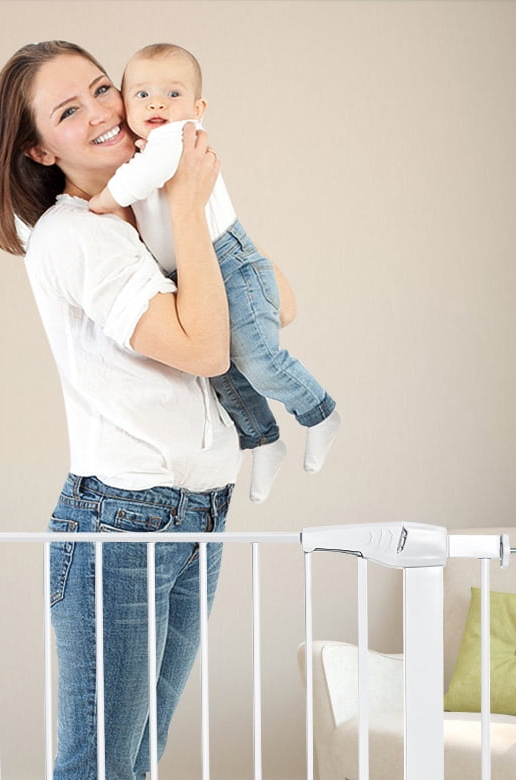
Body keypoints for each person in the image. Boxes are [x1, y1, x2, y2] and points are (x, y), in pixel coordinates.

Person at [0, 41, 240, 780]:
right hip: (118, 530)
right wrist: (193, 189)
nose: (101, 110)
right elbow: (207, 346)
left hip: (190, 519)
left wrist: (183, 200)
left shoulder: (136, 212)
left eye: (102, 88)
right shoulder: (76, 240)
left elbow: (272, 309)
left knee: (131, 757)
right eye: (67, 108)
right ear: (38, 150)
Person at [88, 43, 340, 503]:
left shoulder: (177, 139)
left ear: (197, 108)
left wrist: (104, 202)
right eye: (142, 95)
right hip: (188, 270)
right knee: (222, 374)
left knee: (259, 360)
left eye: (172, 93)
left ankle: (319, 411)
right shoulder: (143, 149)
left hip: (229, 260)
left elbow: (142, 179)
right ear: (125, 104)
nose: (157, 104)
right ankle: (263, 441)